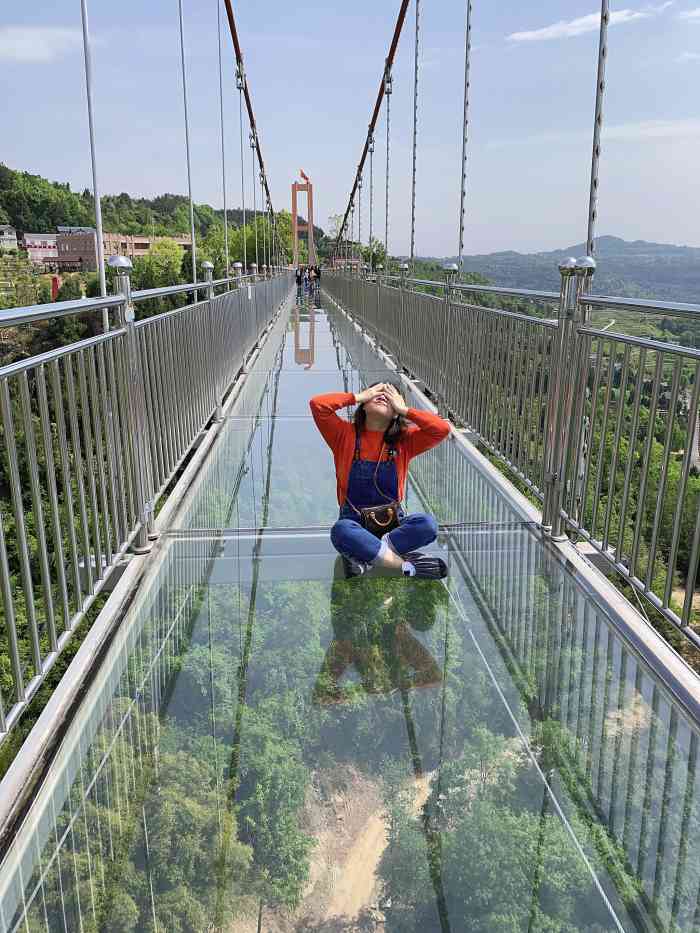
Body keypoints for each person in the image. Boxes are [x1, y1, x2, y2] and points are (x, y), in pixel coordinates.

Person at [310, 382, 450, 579]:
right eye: (377, 391)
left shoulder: (404, 440)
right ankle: (404, 566)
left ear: (395, 413)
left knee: (427, 525)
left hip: (394, 524)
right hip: (355, 523)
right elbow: (318, 405)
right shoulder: (344, 435)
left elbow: (441, 429)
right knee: (341, 531)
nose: (383, 395)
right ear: (364, 405)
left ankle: (368, 558)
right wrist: (357, 396)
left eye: (390, 395)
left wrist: (405, 410)